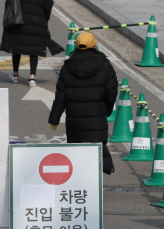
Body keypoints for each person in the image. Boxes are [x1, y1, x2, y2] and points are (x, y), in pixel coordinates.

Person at [48, 32, 118, 173]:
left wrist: (54, 120)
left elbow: (60, 96)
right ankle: (96, 183)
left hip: (75, 119)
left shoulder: (67, 67)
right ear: (94, 45)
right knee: (97, 150)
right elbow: (112, 91)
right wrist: (107, 110)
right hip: (97, 117)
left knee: (76, 152)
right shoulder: (104, 65)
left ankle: (80, 182)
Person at [0, 0, 64, 87]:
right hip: (37, 21)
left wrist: (11, 11)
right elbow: (49, 2)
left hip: (19, 20)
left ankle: (16, 75)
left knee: (16, 47)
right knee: (34, 50)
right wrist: (44, 18)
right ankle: (32, 78)